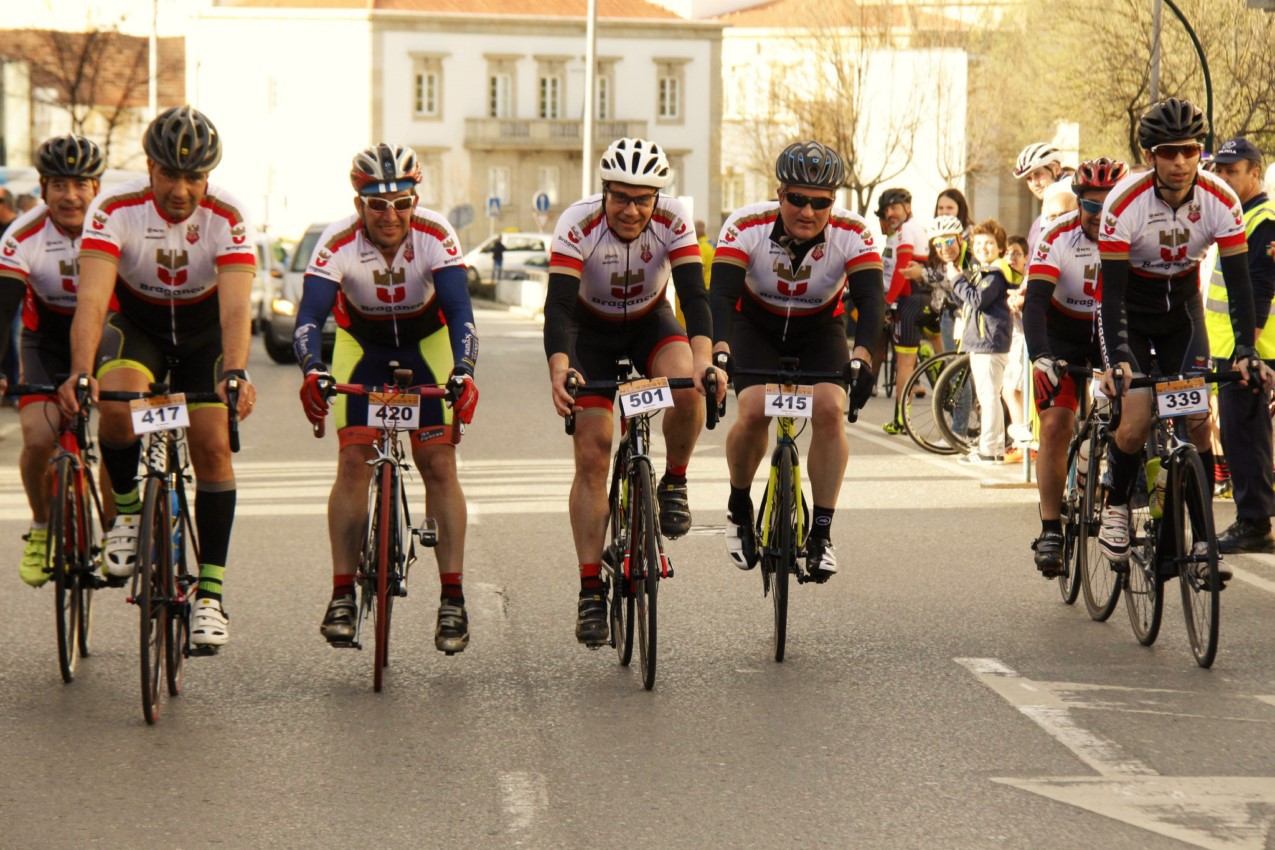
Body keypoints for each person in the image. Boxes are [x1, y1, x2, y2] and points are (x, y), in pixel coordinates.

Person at [57, 106, 256, 651]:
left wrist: (235, 372)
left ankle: (210, 596)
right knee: (118, 410)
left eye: (194, 176)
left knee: (213, 445)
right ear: (149, 167)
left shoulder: (228, 214)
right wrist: (80, 372)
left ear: (208, 176)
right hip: (138, 325)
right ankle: (125, 512)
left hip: (203, 337)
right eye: (170, 174)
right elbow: (94, 300)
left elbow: (237, 309)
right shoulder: (115, 207)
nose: (182, 189)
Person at [294, 143, 479, 654]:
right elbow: (310, 318)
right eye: (378, 204)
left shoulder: (436, 235)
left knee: (438, 463)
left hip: (428, 343)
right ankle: (340, 596)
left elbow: (461, 313)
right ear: (359, 206)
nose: (391, 215)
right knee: (354, 460)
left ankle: (452, 599)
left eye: (402, 203)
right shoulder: (336, 243)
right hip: (363, 347)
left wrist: (463, 371)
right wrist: (313, 370)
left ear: (415, 201)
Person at [543, 137, 724, 645]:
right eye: (621, 197)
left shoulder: (673, 219)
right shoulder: (576, 224)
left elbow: (694, 295)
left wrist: (706, 362)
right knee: (594, 453)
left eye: (643, 199)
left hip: (649, 323)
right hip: (588, 334)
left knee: (687, 387)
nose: (631, 209)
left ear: (657, 198)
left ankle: (675, 482)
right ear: (604, 192)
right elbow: (556, 308)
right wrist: (560, 368)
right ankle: (589, 592)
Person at [1096, 98, 1271, 573]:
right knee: (1132, 423)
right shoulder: (1123, 204)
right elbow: (1109, 298)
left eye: (1190, 151)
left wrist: (1245, 351)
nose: (1180, 162)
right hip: (1132, 308)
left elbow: (1240, 287)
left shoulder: (1220, 199)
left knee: (1195, 421)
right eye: (1168, 152)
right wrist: (1117, 361)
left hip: (1183, 313)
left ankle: (1200, 546)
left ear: (1201, 151)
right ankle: (1114, 505)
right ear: (1150, 155)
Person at [712, 140, 881, 580]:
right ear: (779, 193)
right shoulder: (745, 225)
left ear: (833, 203)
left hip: (819, 329)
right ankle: (737, 506)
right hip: (755, 327)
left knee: (830, 409)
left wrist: (864, 356)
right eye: (797, 199)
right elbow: (721, 295)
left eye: (820, 202)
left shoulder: (854, 232)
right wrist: (719, 350)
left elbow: (871, 300)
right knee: (752, 409)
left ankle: (821, 533)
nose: (808, 211)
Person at [0, 135, 106, 586]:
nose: (71, 195)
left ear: (97, 188)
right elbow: (3, 308)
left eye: (82, 183)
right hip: (45, 341)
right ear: (43, 189)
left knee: (123, 430)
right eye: (59, 184)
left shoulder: (112, 226)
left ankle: (124, 527)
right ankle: (42, 527)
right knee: (39, 437)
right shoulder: (22, 235)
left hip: (106, 335)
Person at [1024, 158, 1128, 574]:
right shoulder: (1057, 235)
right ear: (1078, 202)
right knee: (1054, 426)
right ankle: (1051, 527)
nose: (1101, 215)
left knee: (1130, 418)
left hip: (1113, 335)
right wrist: (1040, 355)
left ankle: (1115, 499)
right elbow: (1034, 303)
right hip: (1062, 335)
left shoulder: (1132, 232)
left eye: (1110, 205)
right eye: (1092, 206)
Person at [1203, 137, 1275, 553]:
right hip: (1233, 347)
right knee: (1238, 434)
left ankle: (1254, 523)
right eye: (1221, 170)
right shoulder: (1238, 214)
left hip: (1248, 352)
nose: (1225, 177)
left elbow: (1261, 287)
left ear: (1255, 174)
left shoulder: (1262, 217)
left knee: (1245, 436)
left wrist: (1246, 351)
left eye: (1234, 171)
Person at [950, 218, 1013, 463]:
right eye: (978, 244)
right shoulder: (983, 272)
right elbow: (967, 301)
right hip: (982, 342)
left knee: (989, 397)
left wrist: (956, 280)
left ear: (999, 248)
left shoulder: (995, 274)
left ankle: (991, 449)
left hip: (990, 343)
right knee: (988, 396)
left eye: (989, 243)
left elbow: (978, 300)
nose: (982, 248)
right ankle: (991, 446)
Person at [876, 187, 931, 433]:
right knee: (925, 351)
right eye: (887, 209)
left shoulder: (906, 230)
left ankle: (901, 420)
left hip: (910, 300)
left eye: (894, 207)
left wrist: (888, 301)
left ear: (907, 207)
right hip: (922, 298)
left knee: (904, 365)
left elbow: (902, 268)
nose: (890, 213)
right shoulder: (910, 229)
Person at [1014, 142, 1066, 250]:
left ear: (1056, 169)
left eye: (1038, 174)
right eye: (1029, 179)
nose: (1035, 184)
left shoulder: (1070, 198)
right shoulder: (1037, 223)